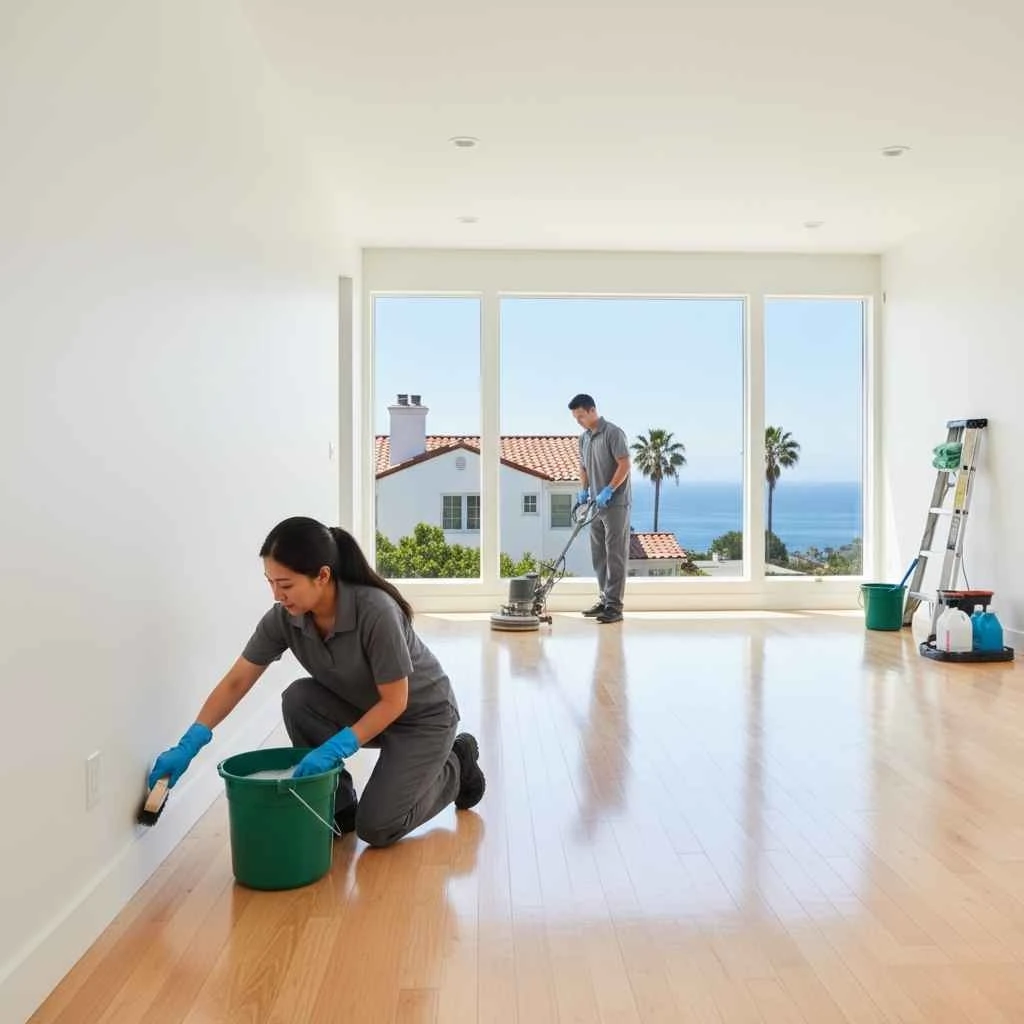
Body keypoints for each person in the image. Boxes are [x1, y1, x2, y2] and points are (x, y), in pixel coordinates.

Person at [147, 516, 485, 848]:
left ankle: (458, 761)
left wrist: (335, 748)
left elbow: (395, 701)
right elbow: (238, 680)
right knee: (298, 698)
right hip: (367, 710)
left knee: (378, 827)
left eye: (286, 584)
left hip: (422, 719)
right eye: (271, 583)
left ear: (322, 576)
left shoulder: (375, 611)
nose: (277, 595)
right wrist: (191, 741)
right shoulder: (285, 618)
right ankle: (338, 804)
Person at [569, 393, 632, 624]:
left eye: (581, 416)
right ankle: (605, 599)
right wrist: (584, 490)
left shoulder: (613, 433)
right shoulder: (583, 438)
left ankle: (615, 607)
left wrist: (609, 490)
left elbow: (624, 464)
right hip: (595, 505)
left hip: (615, 503)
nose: (579, 421)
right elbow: (583, 467)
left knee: (615, 554)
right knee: (599, 555)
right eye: (576, 418)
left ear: (593, 410)